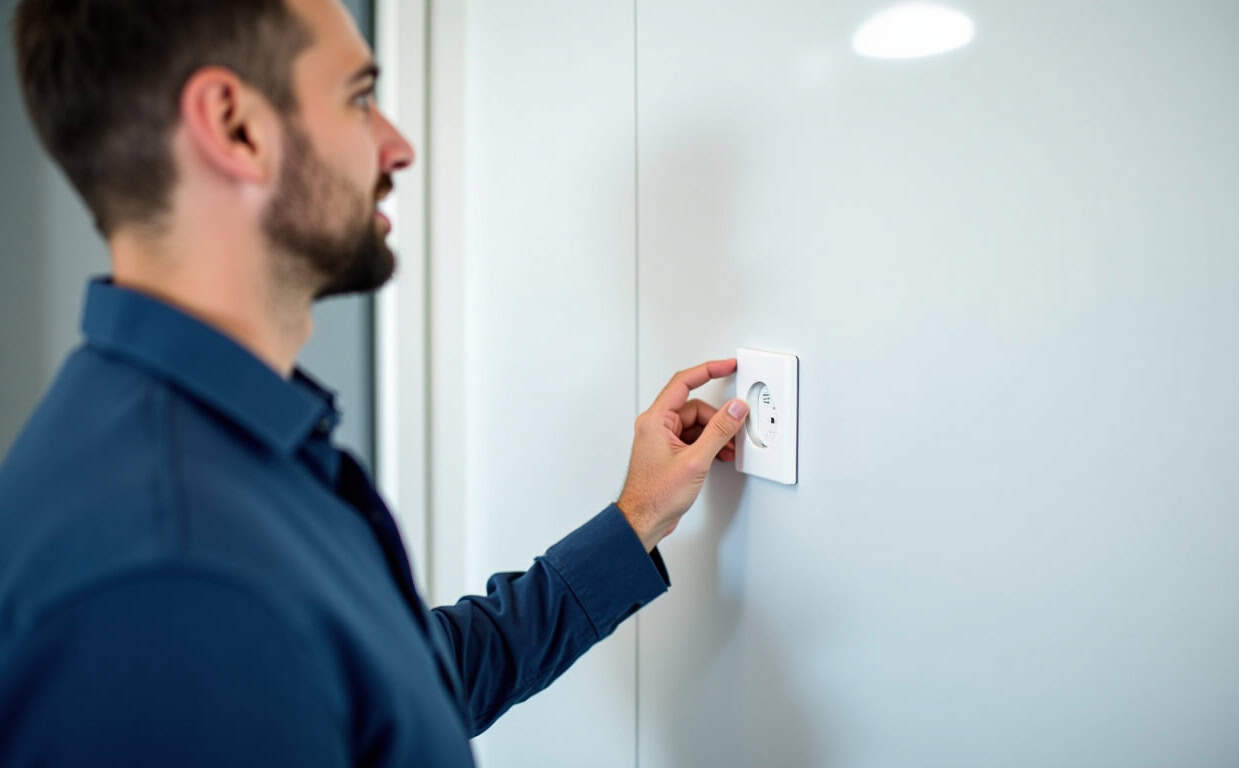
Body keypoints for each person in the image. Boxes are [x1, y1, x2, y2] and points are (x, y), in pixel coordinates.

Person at [0, 0, 749, 764]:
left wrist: (635, 521)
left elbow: (399, 694)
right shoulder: (168, 569)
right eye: (359, 98)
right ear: (236, 127)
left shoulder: (216, 456)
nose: (398, 147)